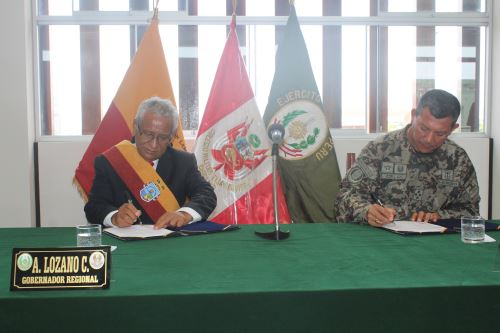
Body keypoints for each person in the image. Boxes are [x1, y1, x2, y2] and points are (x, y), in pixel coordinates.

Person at [335, 89, 480, 227]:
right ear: (413, 116)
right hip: (383, 239)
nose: (429, 139)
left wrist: (440, 216)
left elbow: (471, 211)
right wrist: (367, 212)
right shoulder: (381, 149)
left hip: (435, 242)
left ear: (453, 128)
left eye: (440, 133)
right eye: (424, 128)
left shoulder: (457, 159)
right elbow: (345, 197)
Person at [84, 97, 216, 229]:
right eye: (148, 134)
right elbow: (94, 206)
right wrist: (114, 217)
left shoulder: (183, 162)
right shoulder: (110, 161)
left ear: (171, 136)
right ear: (136, 126)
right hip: (125, 243)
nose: (153, 145)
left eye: (163, 137)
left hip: (169, 241)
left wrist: (184, 214)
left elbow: (206, 194)